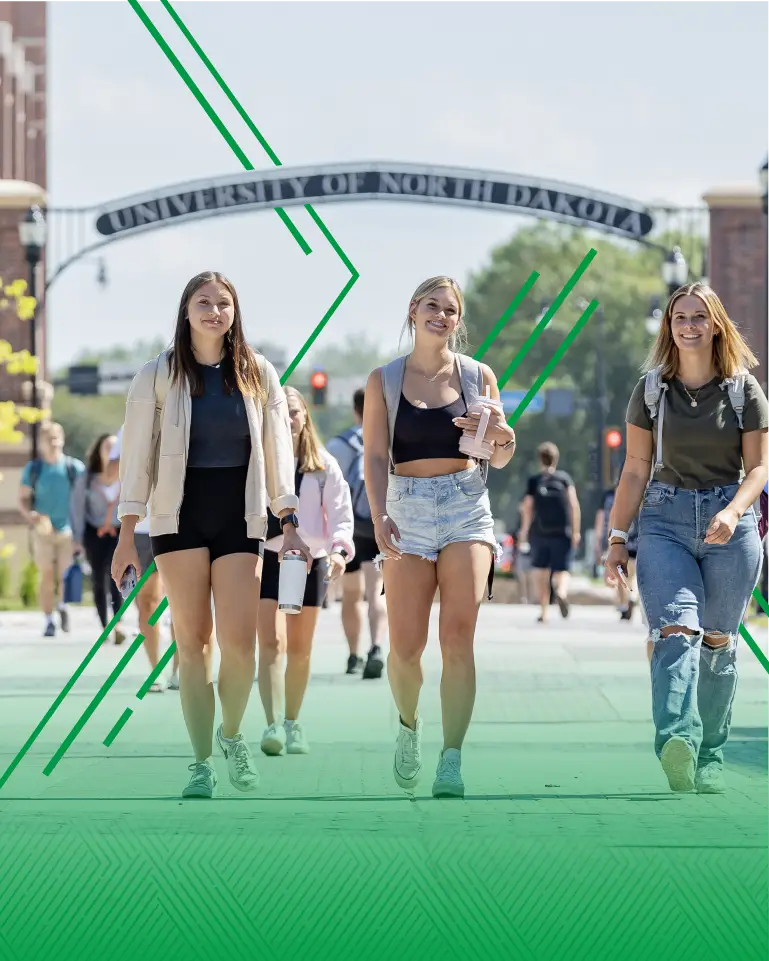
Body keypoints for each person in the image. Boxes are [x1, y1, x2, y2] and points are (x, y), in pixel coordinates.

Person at [111, 270, 307, 799]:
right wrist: (127, 534)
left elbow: (278, 450)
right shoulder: (156, 374)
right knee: (194, 643)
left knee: (240, 645)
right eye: (204, 302)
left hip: (241, 517)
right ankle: (200, 763)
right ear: (186, 310)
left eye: (224, 303)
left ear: (235, 312)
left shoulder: (257, 372)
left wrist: (288, 520)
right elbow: (136, 458)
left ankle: (232, 734)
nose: (214, 311)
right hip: (178, 517)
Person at [606, 283, 769, 795]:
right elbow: (635, 469)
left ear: (715, 325)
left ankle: (712, 756)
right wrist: (617, 537)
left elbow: (759, 468)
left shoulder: (743, 391)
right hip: (664, 519)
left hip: (730, 524)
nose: (689, 326)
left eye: (699, 317)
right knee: (675, 631)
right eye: (680, 317)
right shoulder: (651, 390)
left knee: (718, 642)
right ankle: (678, 740)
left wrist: (734, 512)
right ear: (669, 326)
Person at [363, 275, 516, 799]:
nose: (441, 316)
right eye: (432, 306)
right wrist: (379, 515)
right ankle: (409, 726)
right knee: (406, 648)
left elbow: (499, 455)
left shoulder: (478, 376)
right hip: (404, 509)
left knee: (457, 636)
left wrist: (504, 436)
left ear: (458, 319)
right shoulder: (384, 380)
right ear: (413, 310)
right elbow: (375, 456)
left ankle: (452, 757)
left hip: (465, 507)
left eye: (450, 310)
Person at [257, 386, 354, 755]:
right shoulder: (259, 463)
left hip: (310, 561)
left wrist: (339, 551)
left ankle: (292, 722)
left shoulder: (324, 466)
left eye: (294, 411)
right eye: (280, 412)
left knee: (299, 647)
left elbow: (341, 514)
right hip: (268, 557)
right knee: (271, 642)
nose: (288, 419)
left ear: (305, 417)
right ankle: (272, 725)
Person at [326, 387, 386, 678]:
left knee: (351, 594)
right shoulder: (388, 441)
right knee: (375, 591)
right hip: (378, 524)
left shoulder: (338, 445)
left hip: (349, 529)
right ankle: (376, 647)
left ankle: (353, 655)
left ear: (355, 411)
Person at [18, 422, 85, 637]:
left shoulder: (74, 468)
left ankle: (63, 606)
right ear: (42, 443)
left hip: (68, 530)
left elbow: (85, 498)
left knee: (64, 574)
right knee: (46, 575)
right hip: (43, 530)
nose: (53, 442)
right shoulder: (34, 469)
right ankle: (48, 620)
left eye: (56, 437)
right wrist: (30, 515)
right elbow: (23, 498)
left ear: (62, 440)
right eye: (49, 438)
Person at [70, 433, 126, 645]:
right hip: (94, 533)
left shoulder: (127, 475)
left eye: (115, 447)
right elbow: (77, 509)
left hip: (119, 532)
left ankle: (118, 624)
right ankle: (104, 626)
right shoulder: (87, 479)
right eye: (107, 447)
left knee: (117, 576)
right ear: (99, 451)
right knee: (98, 579)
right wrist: (77, 539)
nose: (111, 452)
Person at [518, 442, 581, 623]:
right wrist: (575, 531)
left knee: (541, 572)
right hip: (562, 531)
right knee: (562, 569)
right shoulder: (564, 479)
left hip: (540, 532)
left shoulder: (534, 481)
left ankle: (543, 611)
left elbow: (528, 507)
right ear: (556, 459)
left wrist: (524, 531)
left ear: (540, 459)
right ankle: (561, 592)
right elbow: (573, 505)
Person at [594, 483, 638, 622]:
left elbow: (603, 518)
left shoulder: (608, 496)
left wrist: (602, 542)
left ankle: (624, 605)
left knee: (621, 575)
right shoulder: (639, 490)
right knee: (633, 576)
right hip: (637, 540)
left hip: (619, 540)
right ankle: (632, 598)